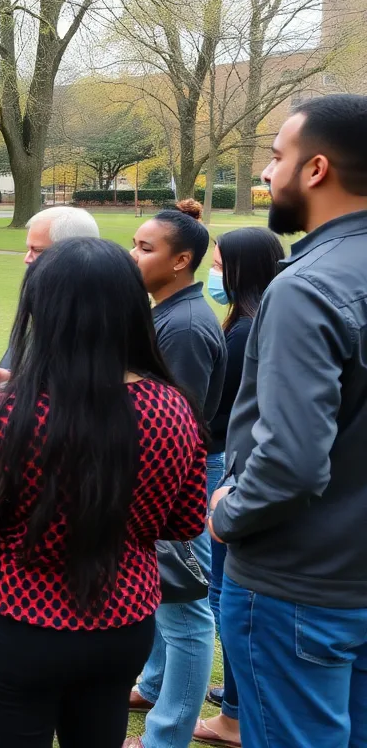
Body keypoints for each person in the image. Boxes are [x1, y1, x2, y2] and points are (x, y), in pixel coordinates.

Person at [0, 237, 209, 748]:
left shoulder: (2, 413)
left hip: (20, 624)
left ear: (40, 309)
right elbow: (186, 521)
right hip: (123, 623)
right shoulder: (172, 409)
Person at [210, 95, 367, 748]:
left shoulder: (307, 288)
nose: (267, 175)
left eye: (276, 158)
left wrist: (226, 512)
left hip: (298, 587)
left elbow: (292, 463)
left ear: (316, 169)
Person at [127, 198, 226, 748]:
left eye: (145, 248)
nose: (133, 256)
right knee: (165, 597)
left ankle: (168, 734)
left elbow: (175, 427)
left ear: (182, 260)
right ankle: (153, 685)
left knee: (187, 610)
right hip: (171, 482)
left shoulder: (185, 326)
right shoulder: (164, 312)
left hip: (178, 485)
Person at [193, 227, 283, 748]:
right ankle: (233, 696)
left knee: (225, 594)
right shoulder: (247, 322)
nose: (216, 273)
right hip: (228, 463)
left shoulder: (247, 329)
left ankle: (233, 718)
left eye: (221, 263)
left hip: (229, 470)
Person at [0, 206, 101, 380]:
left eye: (37, 250)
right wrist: (9, 379)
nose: (27, 259)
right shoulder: (42, 298)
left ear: (74, 251)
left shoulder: (94, 317)